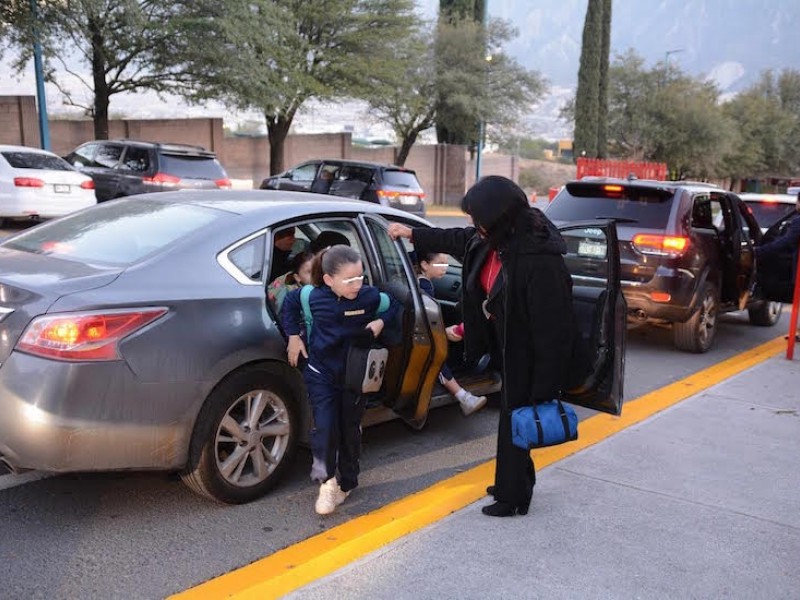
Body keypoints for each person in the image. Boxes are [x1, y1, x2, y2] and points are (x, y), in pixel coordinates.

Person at [388, 175, 576, 518]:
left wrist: (545, 382)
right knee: (511, 418)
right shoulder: (494, 239)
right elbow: (459, 239)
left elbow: (554, 328)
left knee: (517, 419)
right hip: (507, 345)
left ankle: (513, 496)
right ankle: (514, 483)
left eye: (478, 220)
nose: (474, 227)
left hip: (529, 353)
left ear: (499, 218)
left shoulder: (538, 258)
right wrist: (411, 233)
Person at [282, 245, 400, 515]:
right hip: (320, 373)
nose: (357, 284)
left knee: (350, 429)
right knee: (324, 427)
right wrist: (293, 335)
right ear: (328, 279)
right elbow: (288, 304)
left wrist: (380, 323)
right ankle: (327, 482)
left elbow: (392, 304)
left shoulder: (369, 297)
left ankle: (347, 482)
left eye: (360, 277)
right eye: (349, 280)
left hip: (354, 377)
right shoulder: (311, 296)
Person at [415, 249, 487, 416]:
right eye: (440, 264)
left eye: (447, 264)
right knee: (437, 358)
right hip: (425, 335)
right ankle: (463, 397)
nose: (445, 268)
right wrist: (443, 333)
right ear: (425, 265)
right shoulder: (424, 285)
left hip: (428, 332)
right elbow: (426, 319)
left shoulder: (423, 281)